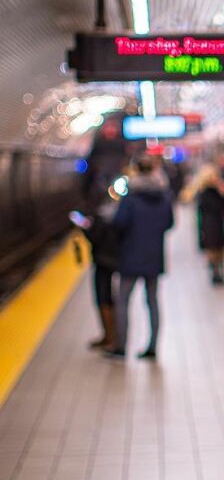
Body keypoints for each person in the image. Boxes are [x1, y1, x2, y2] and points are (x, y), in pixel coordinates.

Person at [105, 158, 175, 359]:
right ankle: (153, 346)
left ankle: (121, 346)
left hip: (131, 254)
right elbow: (169, 223)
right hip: (154, 255)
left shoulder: (130, 197)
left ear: (136, 170)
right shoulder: (164, 195)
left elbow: (119, 222)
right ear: (154, 169)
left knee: (123, 301)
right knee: (152, 301)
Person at [80, 116, 129, 350]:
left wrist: (87, 228)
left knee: (104, 290)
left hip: (104, 246)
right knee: (111, 291)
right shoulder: (125, 175)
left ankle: (113, 337)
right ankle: (112, 336)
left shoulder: (95, 178)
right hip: (115, 245)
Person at [182, 164, 224, 285]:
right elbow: (211, 207)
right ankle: (215, 273)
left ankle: (219, 272)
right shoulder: (205, 193)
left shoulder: (216, 190)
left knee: (220, 248)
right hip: (209, 223)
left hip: (217, 222)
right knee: (213, 248)